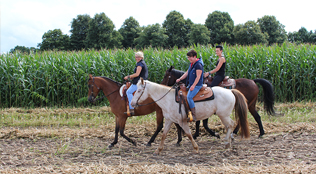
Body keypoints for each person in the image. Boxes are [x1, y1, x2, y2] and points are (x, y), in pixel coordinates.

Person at [176, 50, 204, 122]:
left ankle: (194, 115)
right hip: (191, 84)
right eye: (188, 57)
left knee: (189, 97)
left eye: (190, 57)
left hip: (197, 85)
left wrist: (193, 86)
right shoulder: (192, 64)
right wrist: (180, 79)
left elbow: (198, 76)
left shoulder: (198, 65)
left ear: (195, 57)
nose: (189, 59)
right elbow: (187, 73)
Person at [124, 51, 148, 115]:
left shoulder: (140, 64)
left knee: (128, 92)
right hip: (142, 80)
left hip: (139, 82)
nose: (137, 58)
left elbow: (137, 74)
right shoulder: (142, 63)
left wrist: (128, 76)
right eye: (136, 57)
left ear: (141, 57)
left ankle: (131, 108)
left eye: (138, 57)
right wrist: (132, 77)